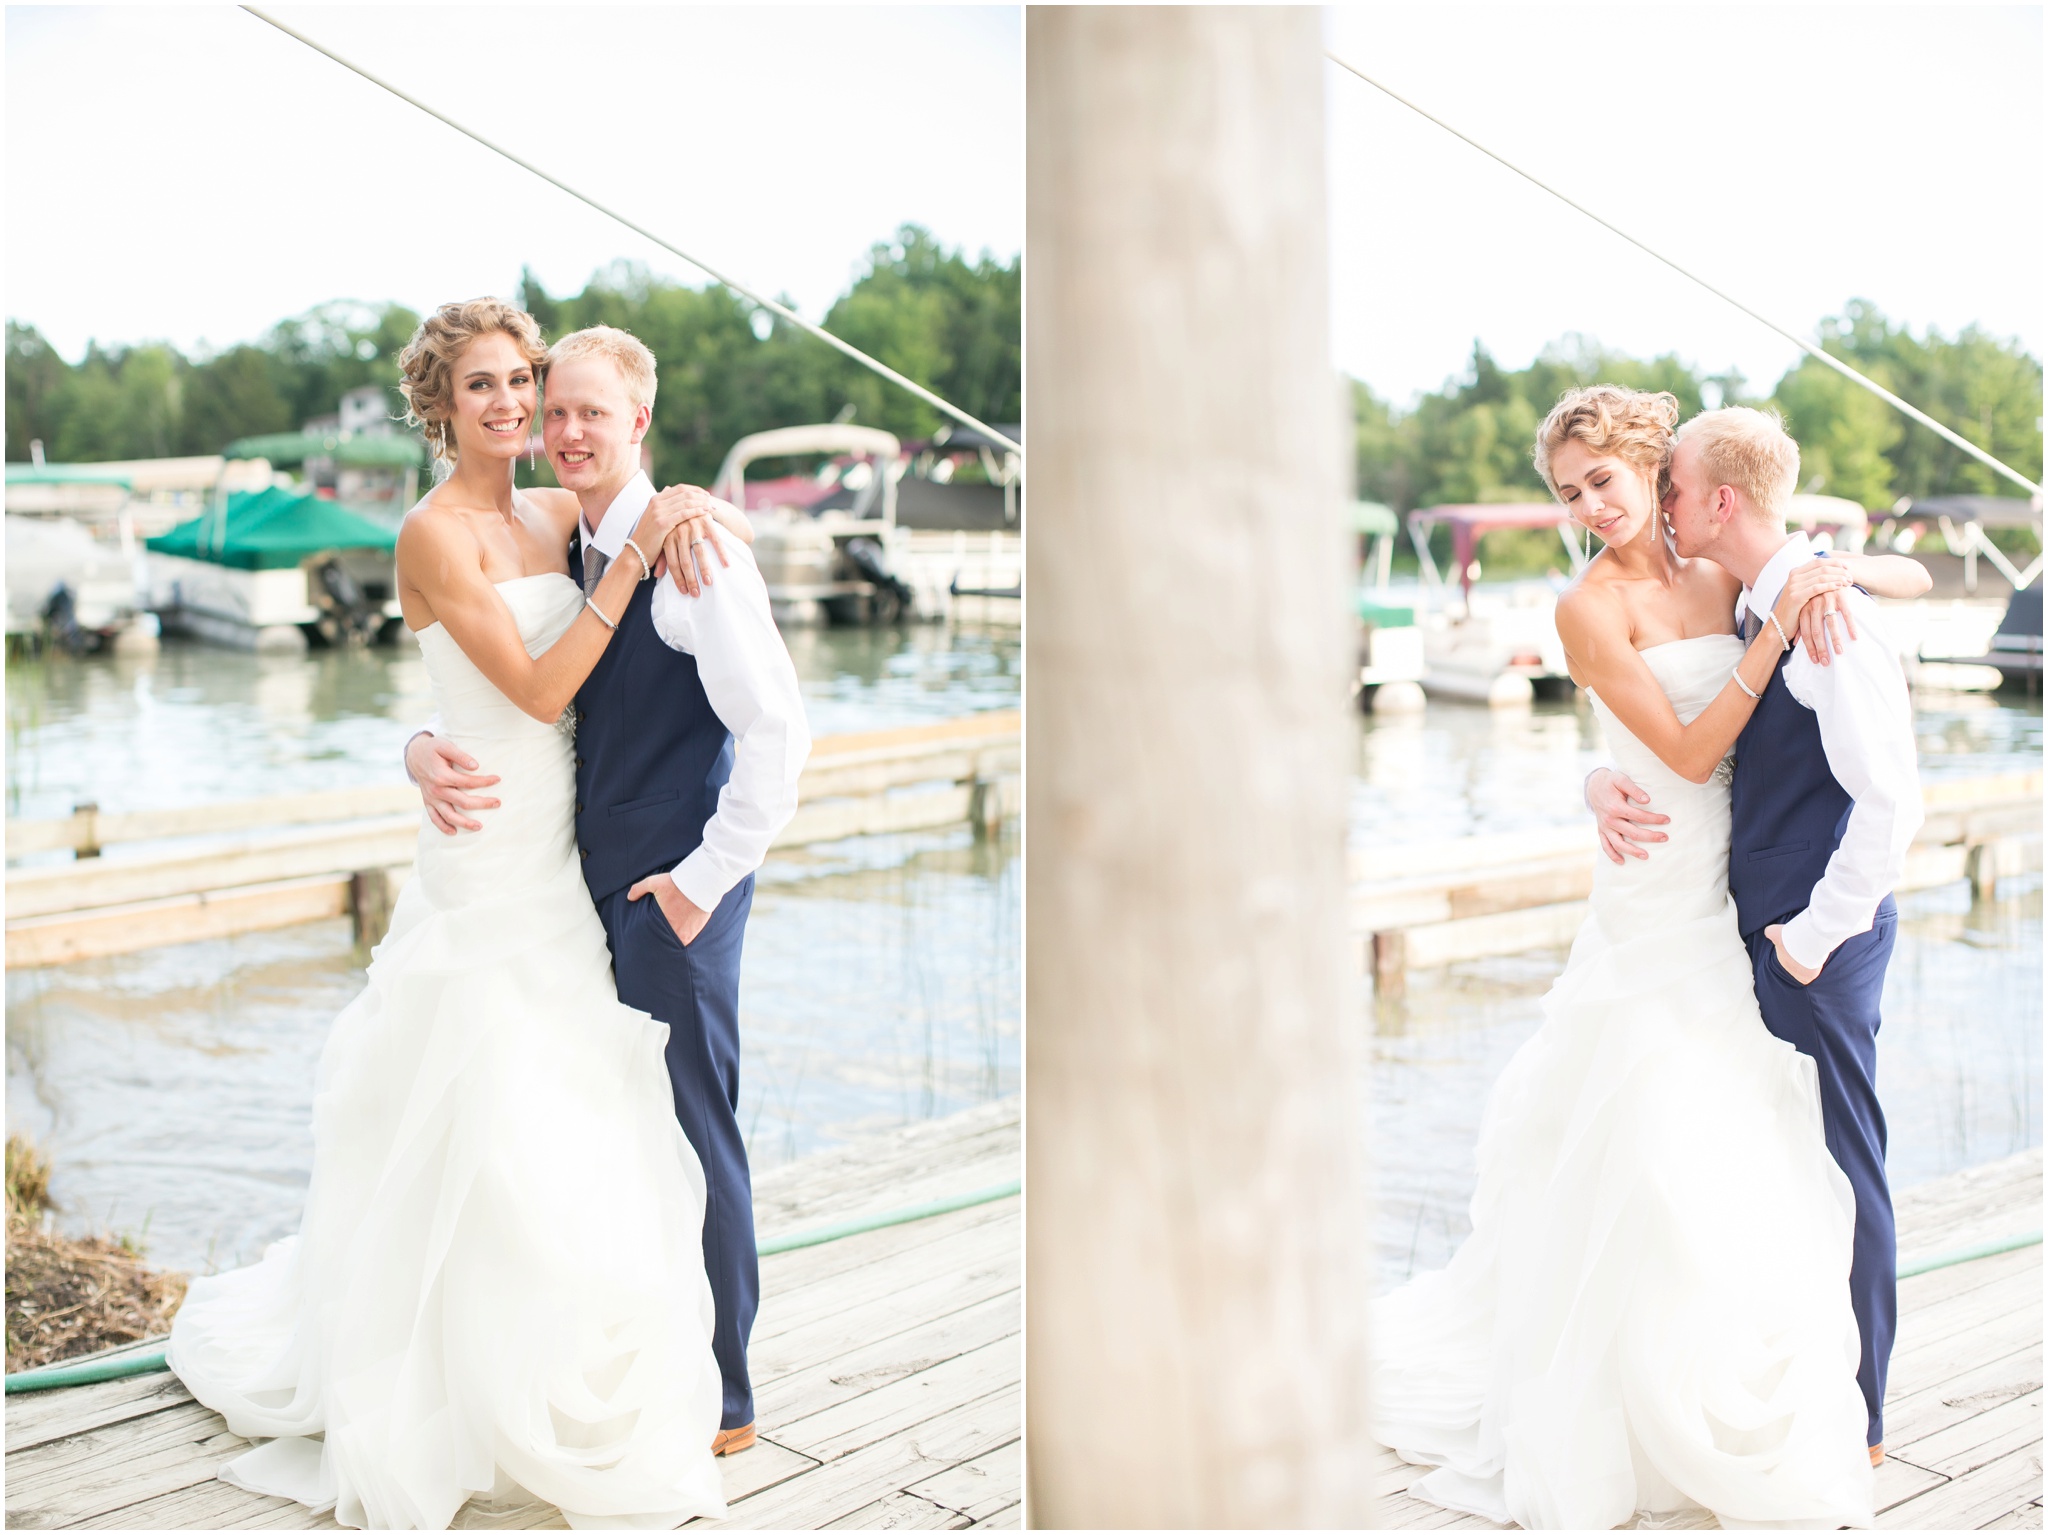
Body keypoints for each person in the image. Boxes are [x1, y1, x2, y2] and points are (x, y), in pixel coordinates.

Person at [167, 299, 761, 1530]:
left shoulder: (553, 511)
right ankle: (460, 1374)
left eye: (523, 385)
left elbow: (628, 515)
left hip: (571, 844)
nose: (510, 408)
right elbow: (541, 687)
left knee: (583, 1101)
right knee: (489, 1080)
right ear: (440, 409)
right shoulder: (433, 532)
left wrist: (686, 505)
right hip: (489, 846)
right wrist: (419, 746)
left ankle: (604, 1351)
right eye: (485, 388)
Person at [1371, 387, 1929, 1530]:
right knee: (1650, 1124)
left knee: (1740, 1131)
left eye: (1603, 479)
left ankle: (1778, 1378)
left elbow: (1903, 579)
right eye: (1567, 491)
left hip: (1732, 886)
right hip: (1656, 883)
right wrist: (1602, 770)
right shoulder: (1588, 606)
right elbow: (1674, 751)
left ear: (1651, 473)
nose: (1587, 505)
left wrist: (1834, 575)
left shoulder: (1724, 567)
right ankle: (1625, 1398)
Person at [404, 323, 809, 1459]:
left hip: (665, 893)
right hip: (564, 880)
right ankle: (622, 1351)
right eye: (555, 408)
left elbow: (777, 733)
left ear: (638, 420)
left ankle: (726, 1391)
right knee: (610, 1131)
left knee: (692, 1131)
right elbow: (499, 682)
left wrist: (698, 884)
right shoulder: (569, 533)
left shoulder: (688, 555)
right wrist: (418, 741)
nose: (566, 427)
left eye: (590, 409)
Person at [1591, 403, 1926, 1471]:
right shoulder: (1759, 593)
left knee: (1840, 1165)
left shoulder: (1820, 618)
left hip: (1805, 941)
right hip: (1735, 922)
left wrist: (1809, 939)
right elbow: (1673, 733)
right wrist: (1594, 778)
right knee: (1763, 1164)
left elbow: (1890, 806)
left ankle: (1862, 1415)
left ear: (1719, 499)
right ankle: (1773, 1380)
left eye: (1674, 488)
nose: (1664, 507)